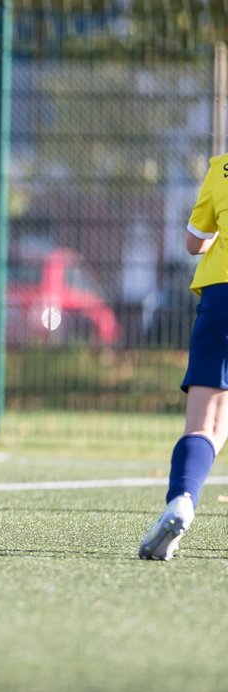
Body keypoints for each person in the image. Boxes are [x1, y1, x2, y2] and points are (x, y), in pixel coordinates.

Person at [139, 154, 228, 559]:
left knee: (206, 422)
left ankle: (182, 502)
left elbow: (194, 242)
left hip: (222, 296)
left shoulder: (222, 167)